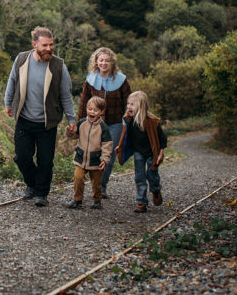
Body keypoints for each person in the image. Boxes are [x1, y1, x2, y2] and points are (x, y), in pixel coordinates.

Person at [4, 26, 77, 207]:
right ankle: (32, 184)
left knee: (45, 160)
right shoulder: (22, 59)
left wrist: (71, 119)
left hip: (47, 123)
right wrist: (7, 103)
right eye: (45, 45)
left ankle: (41, 193)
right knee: (22, 157)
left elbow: (66, 95)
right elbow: (12, 81)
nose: (49, 49)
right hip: (24, 119)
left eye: (51, 45)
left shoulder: (59, 65)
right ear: (34, 44)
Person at [77, 47, 131, 199]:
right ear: (96, 61)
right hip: (95, 123)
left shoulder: (121, 80)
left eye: (107, 60)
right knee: (95, 152)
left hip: (116, 123)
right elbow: (83, 103)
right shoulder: (90, 79)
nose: (104, 63)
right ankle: (95, 184)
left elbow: (129, 101)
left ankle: (101, 186)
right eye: (101, 60)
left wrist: (130, 121)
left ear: (112, 62)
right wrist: (79, 124)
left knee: (110, 154)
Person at [114, 90, 167, 213]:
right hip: (138, 152)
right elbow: (126, 137)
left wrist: (161, 151)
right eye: (128, 104)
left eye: (132, 104)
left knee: (151, 174)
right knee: (139, 176)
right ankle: (141, 201)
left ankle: (155, 189)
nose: (128, 107)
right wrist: (120, 147)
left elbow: (162, 138)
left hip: (152, 152)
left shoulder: (152, 122)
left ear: (141, 106)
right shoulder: (129, 120)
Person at [65, 96, 113, 210]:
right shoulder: (82, 123)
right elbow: (74, 136)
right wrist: (70, 132)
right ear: (86, 109)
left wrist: (105, 159)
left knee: (96, 182)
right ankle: (77, 199)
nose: (92, 112)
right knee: (78, 177)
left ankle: (97, 200)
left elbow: (107, 144)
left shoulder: (103, 127)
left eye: (95, 110)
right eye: (90, 109)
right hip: (81, 158)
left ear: (101, 112)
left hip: (95, 160)